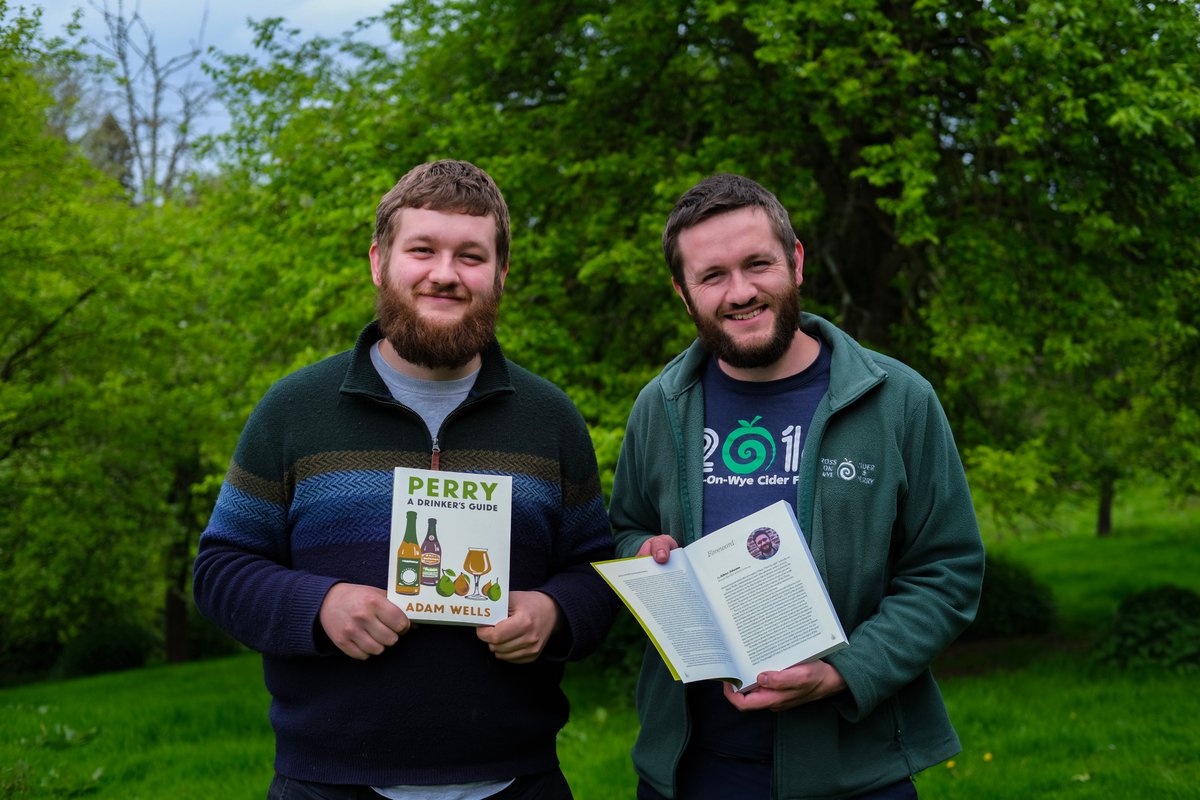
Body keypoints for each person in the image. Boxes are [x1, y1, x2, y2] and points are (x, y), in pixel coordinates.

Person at [194, 159, 617, 800]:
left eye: (470, 256)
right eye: (422, 250)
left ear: (501, 273)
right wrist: (320, 606)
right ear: (379, 262)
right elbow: (220, 569)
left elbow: (597, 572)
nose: (444, 274)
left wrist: (554, 612)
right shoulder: (294, 410)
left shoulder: (549, 418)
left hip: (519, 781)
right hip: (327, 783)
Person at [609, 173, 985, 799]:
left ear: (796, 261)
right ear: (683, 292)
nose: (741, 292)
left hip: (856, 774)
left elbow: (946, 571)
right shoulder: (661, 406)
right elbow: (625, 529)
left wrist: (843, 672)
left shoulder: (898, 401)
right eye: (712, 276)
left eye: (758, 264)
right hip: (691, 772)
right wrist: (644, 555)